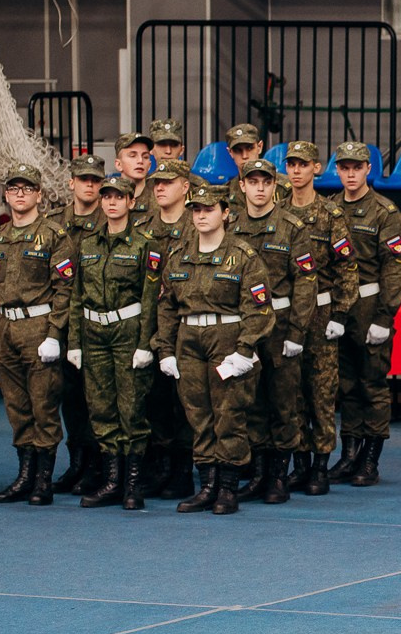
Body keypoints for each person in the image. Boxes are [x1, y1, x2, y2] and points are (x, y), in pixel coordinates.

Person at [154, 182, 275, 515]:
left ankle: (227, 488)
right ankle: (207, 485)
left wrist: (245, 349)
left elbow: (259, 308)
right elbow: (166, 306)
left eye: (209, 209)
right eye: (196, 209)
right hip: (189, 339)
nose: (202, 215)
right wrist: (165, 349)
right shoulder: (179, 255)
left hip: (227, 338)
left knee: (229, 415)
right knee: (198, 415)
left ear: (225, 213)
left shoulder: (244, 256)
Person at [0, 165, 76, 507]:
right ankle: (25, 475)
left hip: (39, 327)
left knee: (43, 406)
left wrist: (55, 334)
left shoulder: (53, 235)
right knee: (17, 407)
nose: (20, 195)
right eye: (14, 189)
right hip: (7, 328)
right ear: (6, 195)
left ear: (39, 195)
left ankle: (43, 480)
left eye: (27, 189)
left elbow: (65, 289)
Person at [66, 175, 163, 511]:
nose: (111, 202)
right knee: (101, 408)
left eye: (118, 197)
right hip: (93, 333)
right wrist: (74, 341)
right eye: (106, 196)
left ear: (131, 202)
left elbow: (151, 299)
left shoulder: (144, 244)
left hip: (128, 332)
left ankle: (133, 484)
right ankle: (111, 480)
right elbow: (76, 295)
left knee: (131, 408)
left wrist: (145, 343)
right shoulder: (88, 244)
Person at [231, 158, 319, 503]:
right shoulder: (232, 225)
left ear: (273, 186)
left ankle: (280, 476)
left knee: (284, 403)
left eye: (265, 182)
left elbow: (306, 282)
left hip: (281, 324)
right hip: (245, 326)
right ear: (242, 186)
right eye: (253, 182)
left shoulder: (291, 226)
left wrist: (297, 331)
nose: (260, 188)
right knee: (251, 402)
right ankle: (258, 473)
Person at [327, 141, 401, 486]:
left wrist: (384, 317)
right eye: (345, 167)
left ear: (368, 169)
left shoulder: (383, 211)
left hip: (369, 305)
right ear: (337, 170)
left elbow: (395, 267)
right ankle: (349, 455)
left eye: (357, 167)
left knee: (372, 384)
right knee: (346, 385)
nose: (350, 174)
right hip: (339, 308)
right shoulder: (330, 208)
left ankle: (370, 459)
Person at [281, 141, 359, 495]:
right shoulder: (280, 212)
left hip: (322, 312)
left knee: (321, 392)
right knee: (292, 392)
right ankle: (299, 463)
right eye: (291, 164)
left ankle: (320, 465)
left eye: (303, 164)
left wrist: (340, 312)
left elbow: (347, 267)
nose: (296, 170)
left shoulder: (331, 214)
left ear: (316, 168)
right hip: (289, 314)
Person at [136, 158, 198, 498]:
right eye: (156, 183)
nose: (159, 188)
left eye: (168, 182)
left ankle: (183, 470)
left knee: (184, 401)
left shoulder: (198, 225)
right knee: (154, 398)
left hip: (186, 326)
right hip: (150, 324)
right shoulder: (143, 226)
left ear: (185, 187)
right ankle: (159, 466)